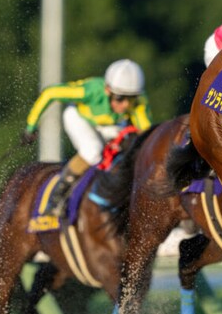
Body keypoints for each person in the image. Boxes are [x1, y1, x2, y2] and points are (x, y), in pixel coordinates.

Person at [21, 59, 152, 217]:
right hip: (78, 118)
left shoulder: (139, 102)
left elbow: (146, 132)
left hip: (108, 126)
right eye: (120, 98)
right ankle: (57, 196)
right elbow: (49, 94)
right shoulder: (91, 91)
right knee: (93, 151)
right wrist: (31, 126)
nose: (125, 105)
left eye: (131, 99)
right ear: (107, 90)